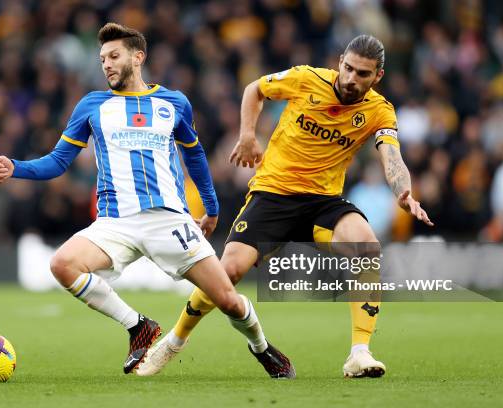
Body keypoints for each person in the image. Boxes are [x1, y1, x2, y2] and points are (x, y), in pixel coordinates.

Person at [0, 22, 294, 378]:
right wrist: (16, 167)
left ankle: (261, 347)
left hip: (169, 220)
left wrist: (210, 208)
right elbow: (58, 161)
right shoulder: (92, 105)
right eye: (102, 58)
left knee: (227, 299)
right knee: (62, 264)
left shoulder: (174, 103)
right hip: (116, 222)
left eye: (114, 56)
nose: (106, 64)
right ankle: (138, 326)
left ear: (138, 57)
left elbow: (194, 157)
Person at [137, 34, 433, 378]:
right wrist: (247, 135)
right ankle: (175, 340)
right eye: (348, 68)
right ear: (340, 61)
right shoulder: (307, 79)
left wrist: (404, 192)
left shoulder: (379, 111)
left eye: (362, 74)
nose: (352, 79)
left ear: (377, 76)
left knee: (366, 249)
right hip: (273, 194)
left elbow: (391, 155)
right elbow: (254, 90)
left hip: (323, 202)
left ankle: (360, 353)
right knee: (228, 271)